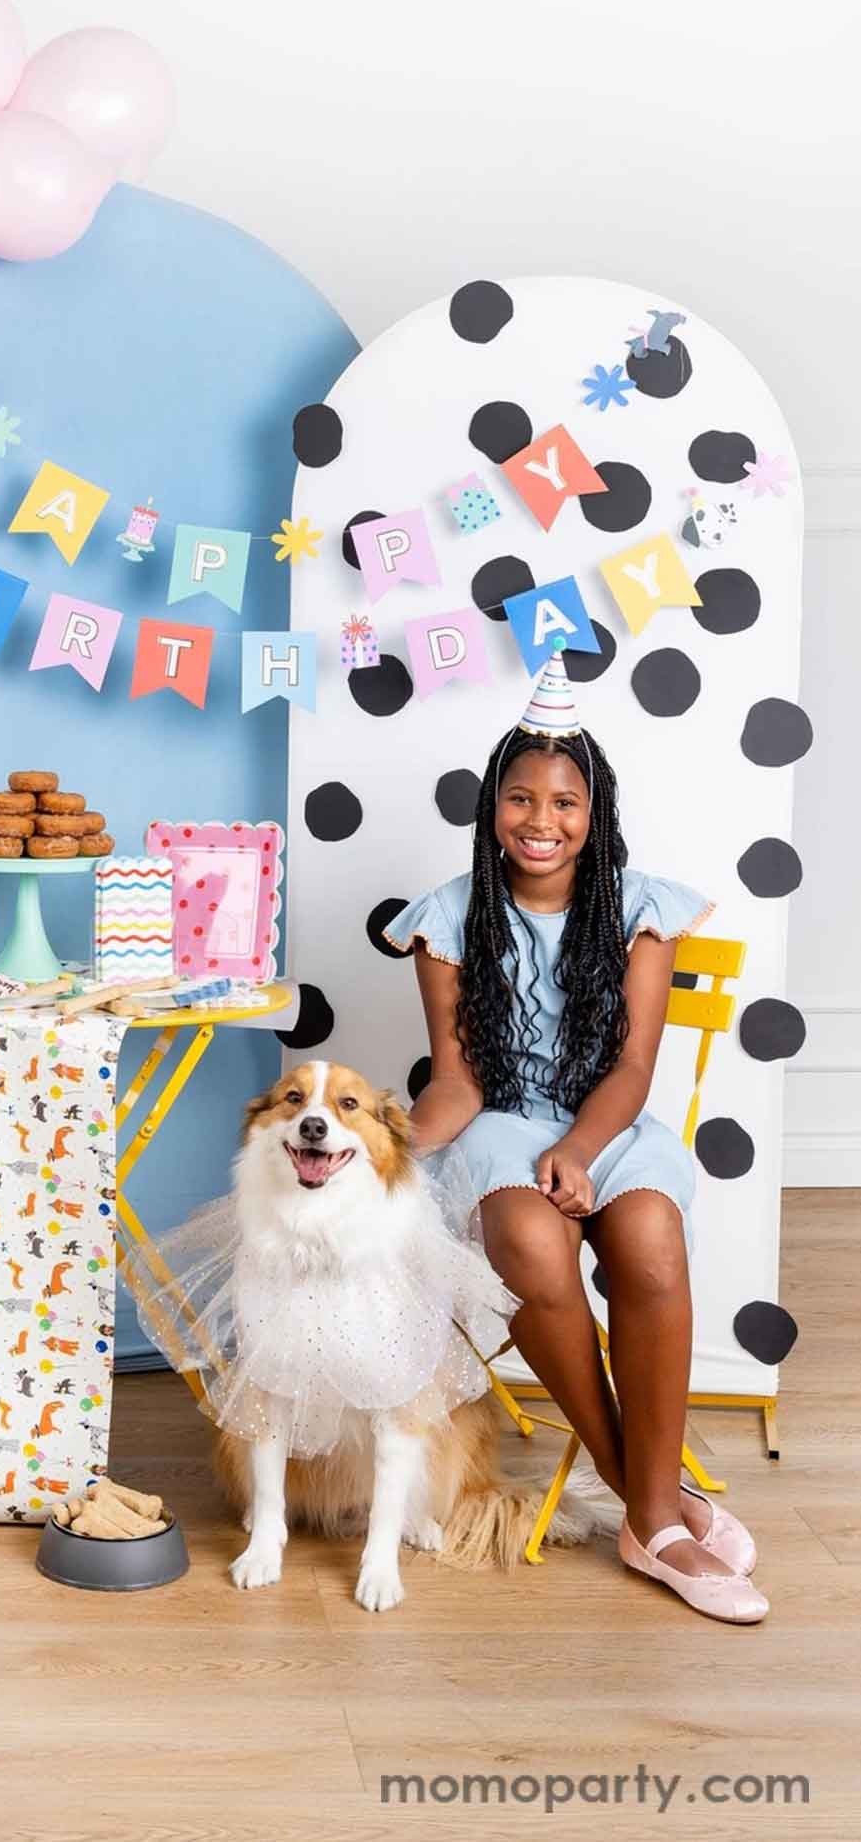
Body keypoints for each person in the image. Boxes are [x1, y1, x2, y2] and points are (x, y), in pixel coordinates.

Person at [385, 647, 768, 1623]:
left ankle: (643, 1509)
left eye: (562, 802)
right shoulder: (448, 918)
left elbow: (634, 1067)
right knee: (523, 1239)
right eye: (519, 798)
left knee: (646, 1240)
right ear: (491, 810)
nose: (540, 820)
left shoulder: (638, 909)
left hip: (610, 1122)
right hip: (500, 1123)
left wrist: (581, 1150)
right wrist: (386, 1146)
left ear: (592, 813)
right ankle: (646, 1498)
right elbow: (457, 1076)